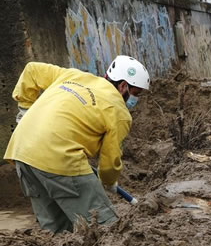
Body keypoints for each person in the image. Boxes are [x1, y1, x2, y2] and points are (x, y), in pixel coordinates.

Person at [4, 55, 150, 233]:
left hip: (21, 151)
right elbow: (110, 160)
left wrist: (25, 109)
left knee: (55, 231)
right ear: (123, 86)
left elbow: (32, 70)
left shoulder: (73, 76)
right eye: (136, 93)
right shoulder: (118, 111)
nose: (136, 99)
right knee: (106, 229)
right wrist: (109, 181)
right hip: (60, 158)